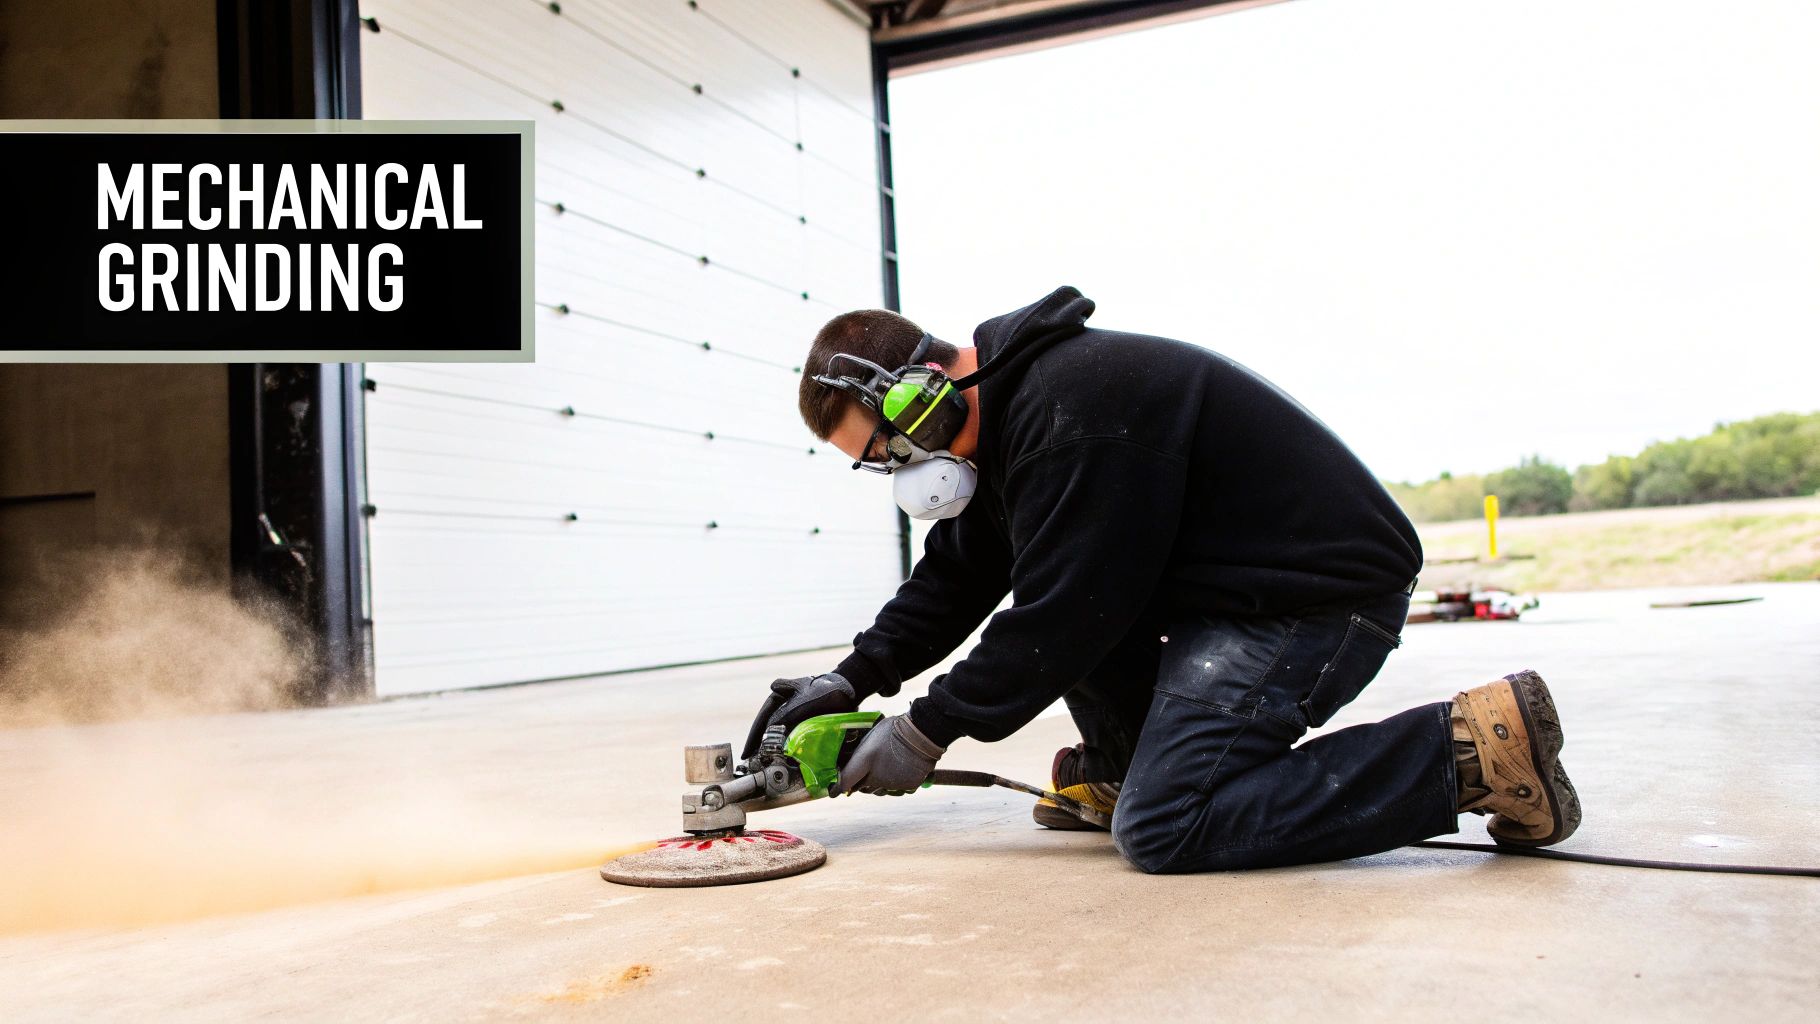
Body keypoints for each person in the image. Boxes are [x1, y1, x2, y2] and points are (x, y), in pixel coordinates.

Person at [745, 286, 1579, 873]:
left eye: (885, 449)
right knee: (1090, 602)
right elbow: (958, 578)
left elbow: (1060, 614)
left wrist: (925, 730)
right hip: (1236, 594)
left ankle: (1471, 751)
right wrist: (850, 678)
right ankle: (1124, 761)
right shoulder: (1010, 424)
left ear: (921, 400)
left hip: (1319, 600)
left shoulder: (1071, 413)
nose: (894, 470)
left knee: (1167, 827)